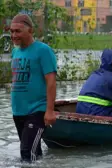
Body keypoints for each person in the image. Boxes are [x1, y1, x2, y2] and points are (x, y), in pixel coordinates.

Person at [10, 14, 57, 162]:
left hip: (37, 110)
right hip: (18, 111)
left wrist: (49, 110)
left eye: (18, 31)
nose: (13, 35)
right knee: (33, 153)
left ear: (30, 31)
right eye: (11, 31)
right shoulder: (15, 52)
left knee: (26, 153)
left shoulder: (43, 50)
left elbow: (51, 81)